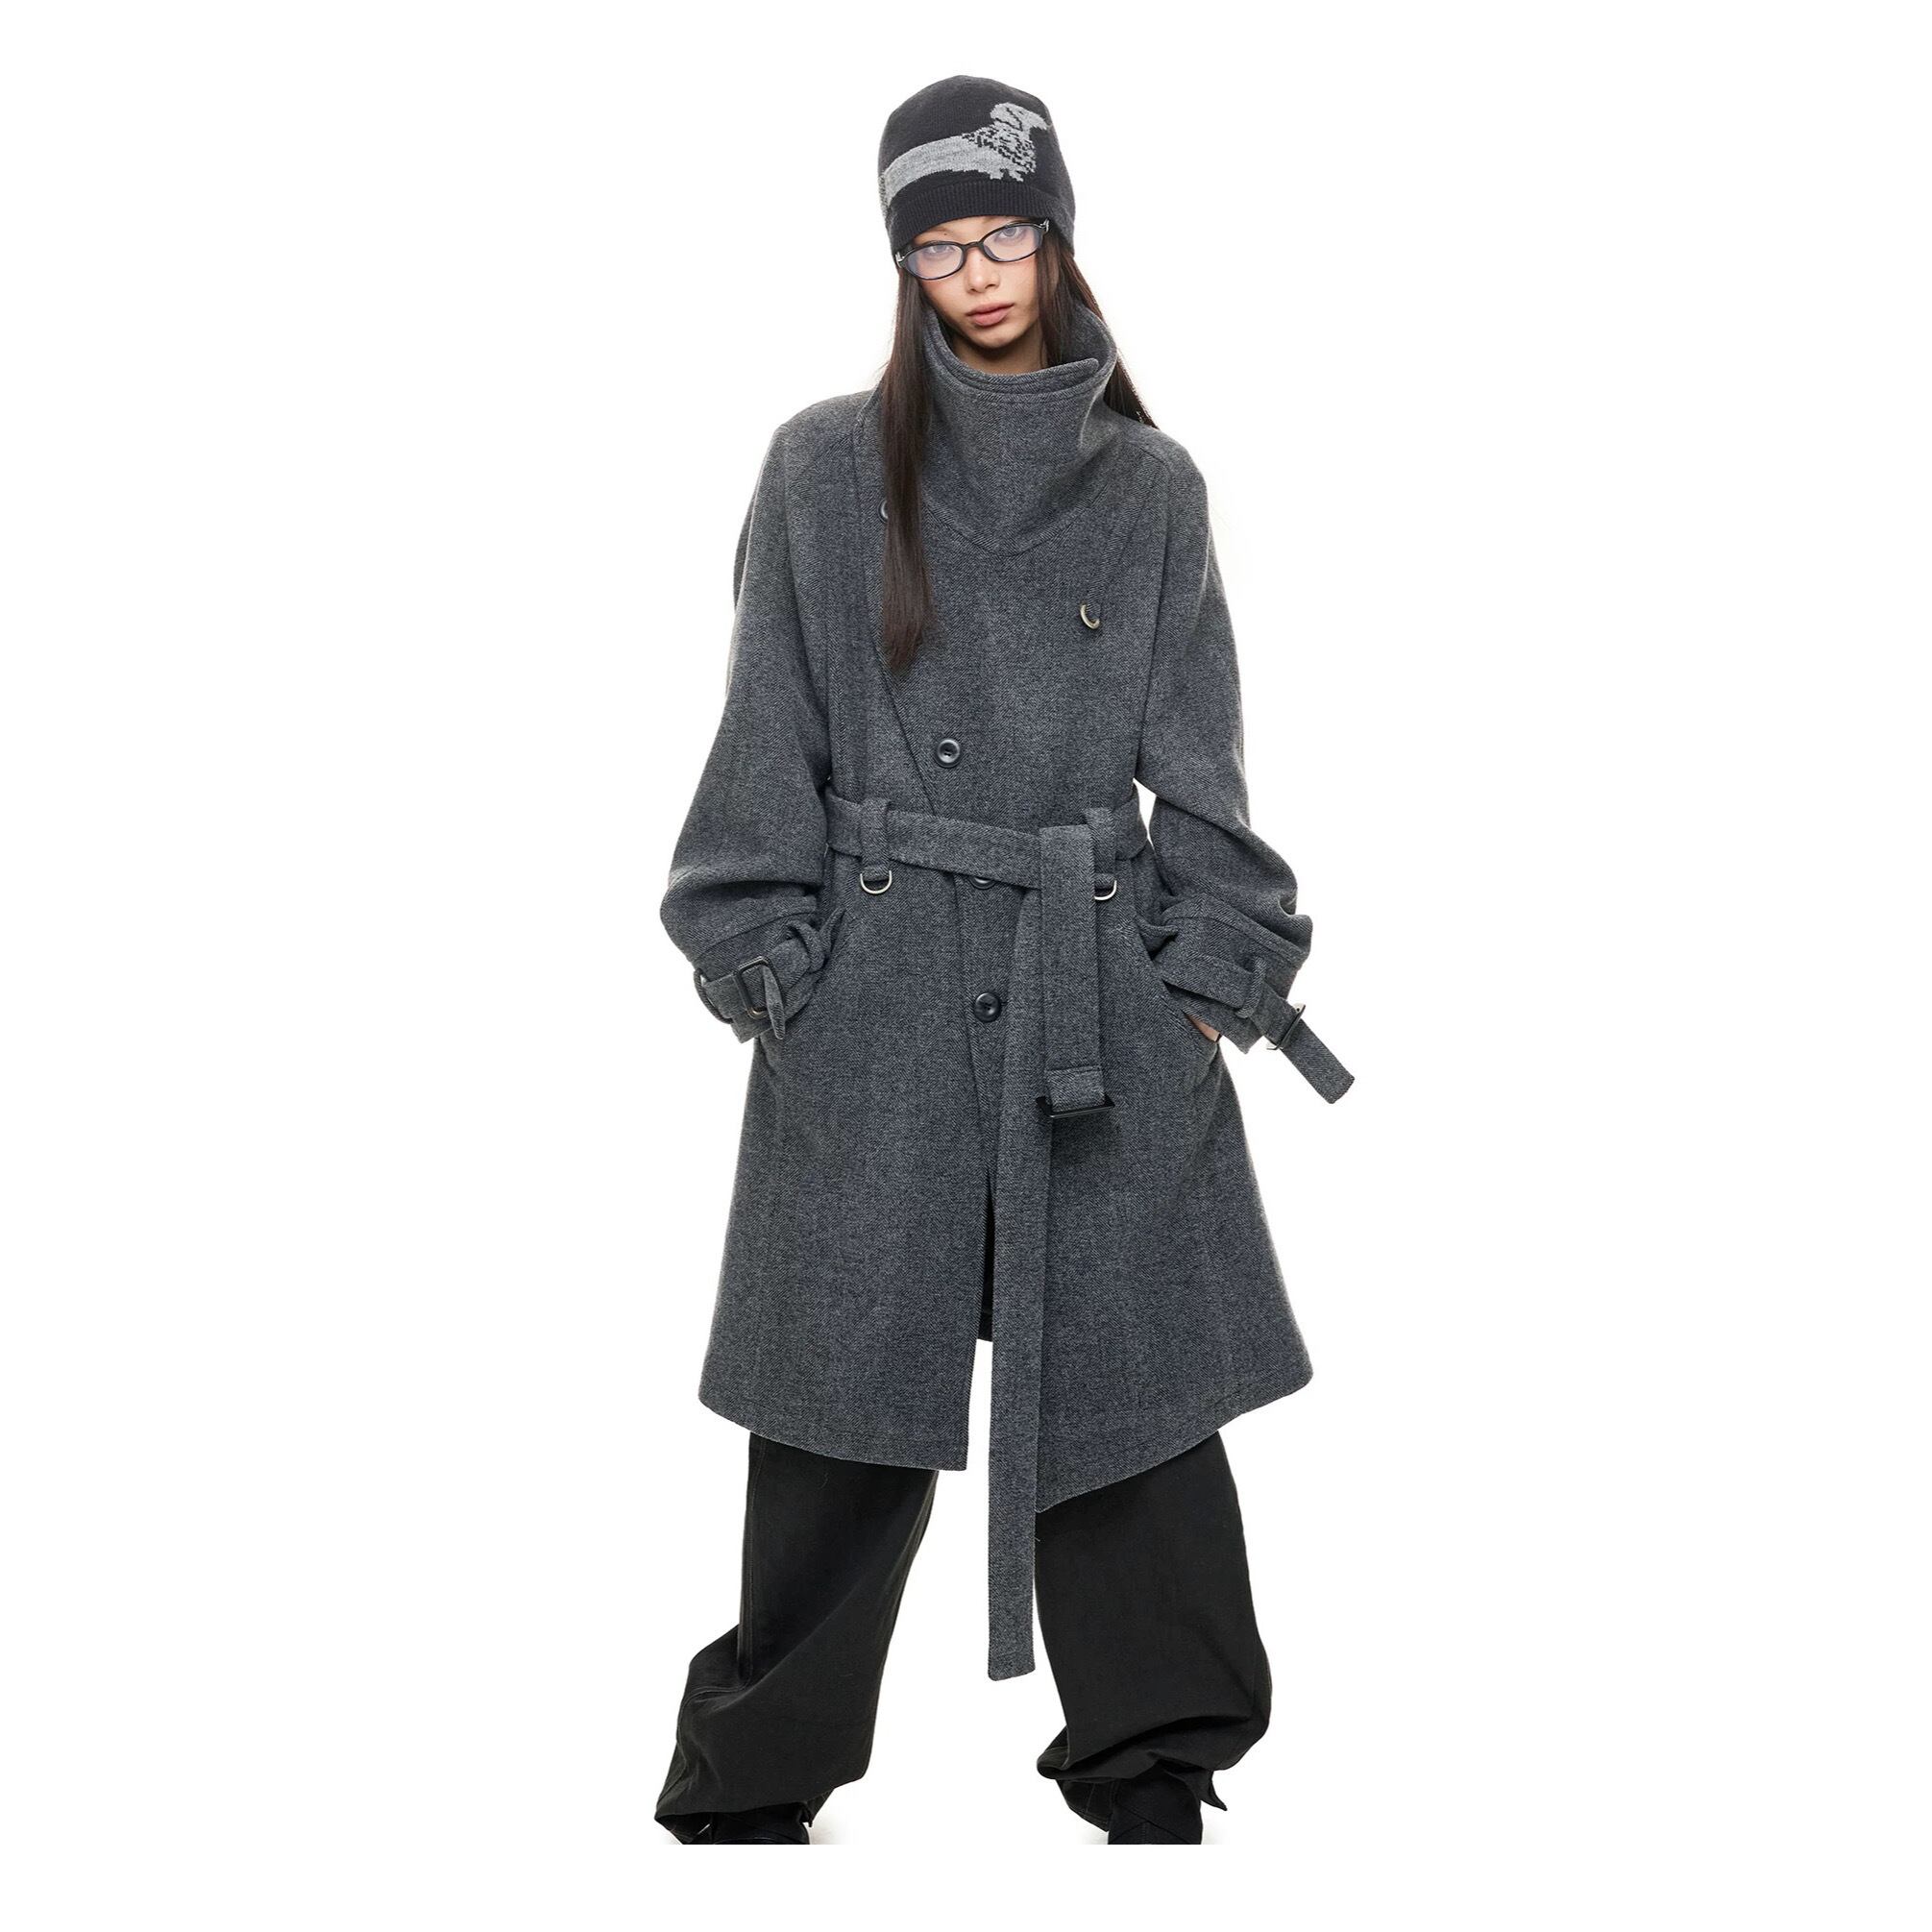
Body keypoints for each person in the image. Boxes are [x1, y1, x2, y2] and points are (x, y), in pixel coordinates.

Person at [653, 74, 1354, 1846]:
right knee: (837, 1411)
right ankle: (753, 1783)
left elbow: (1205, 772)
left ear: (1058, 233)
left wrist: (1205, 988)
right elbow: (765, 734)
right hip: (875, 991)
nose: (975, 273)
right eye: (937, 247)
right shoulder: (825, 468)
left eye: (1005, 233)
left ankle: (1156, 1764)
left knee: (1132, 1399)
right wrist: (771, 963)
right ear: (901, 266)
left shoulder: (1152, 488)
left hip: (1091, 992)